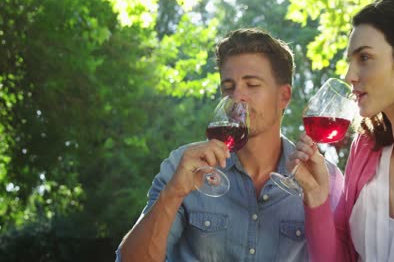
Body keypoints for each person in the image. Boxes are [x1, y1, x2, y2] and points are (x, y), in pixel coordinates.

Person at [115, 28, 344, 262]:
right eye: (228, 87)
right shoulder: (185, 165)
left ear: (284, 96)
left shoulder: (325, 180)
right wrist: (173, 193)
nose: (237, 96)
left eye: (252, 85)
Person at [292, 0, 394, 261]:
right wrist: (316, 195)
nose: (349, 76)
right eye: (350, 61)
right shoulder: (365, 149)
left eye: (364, 58)